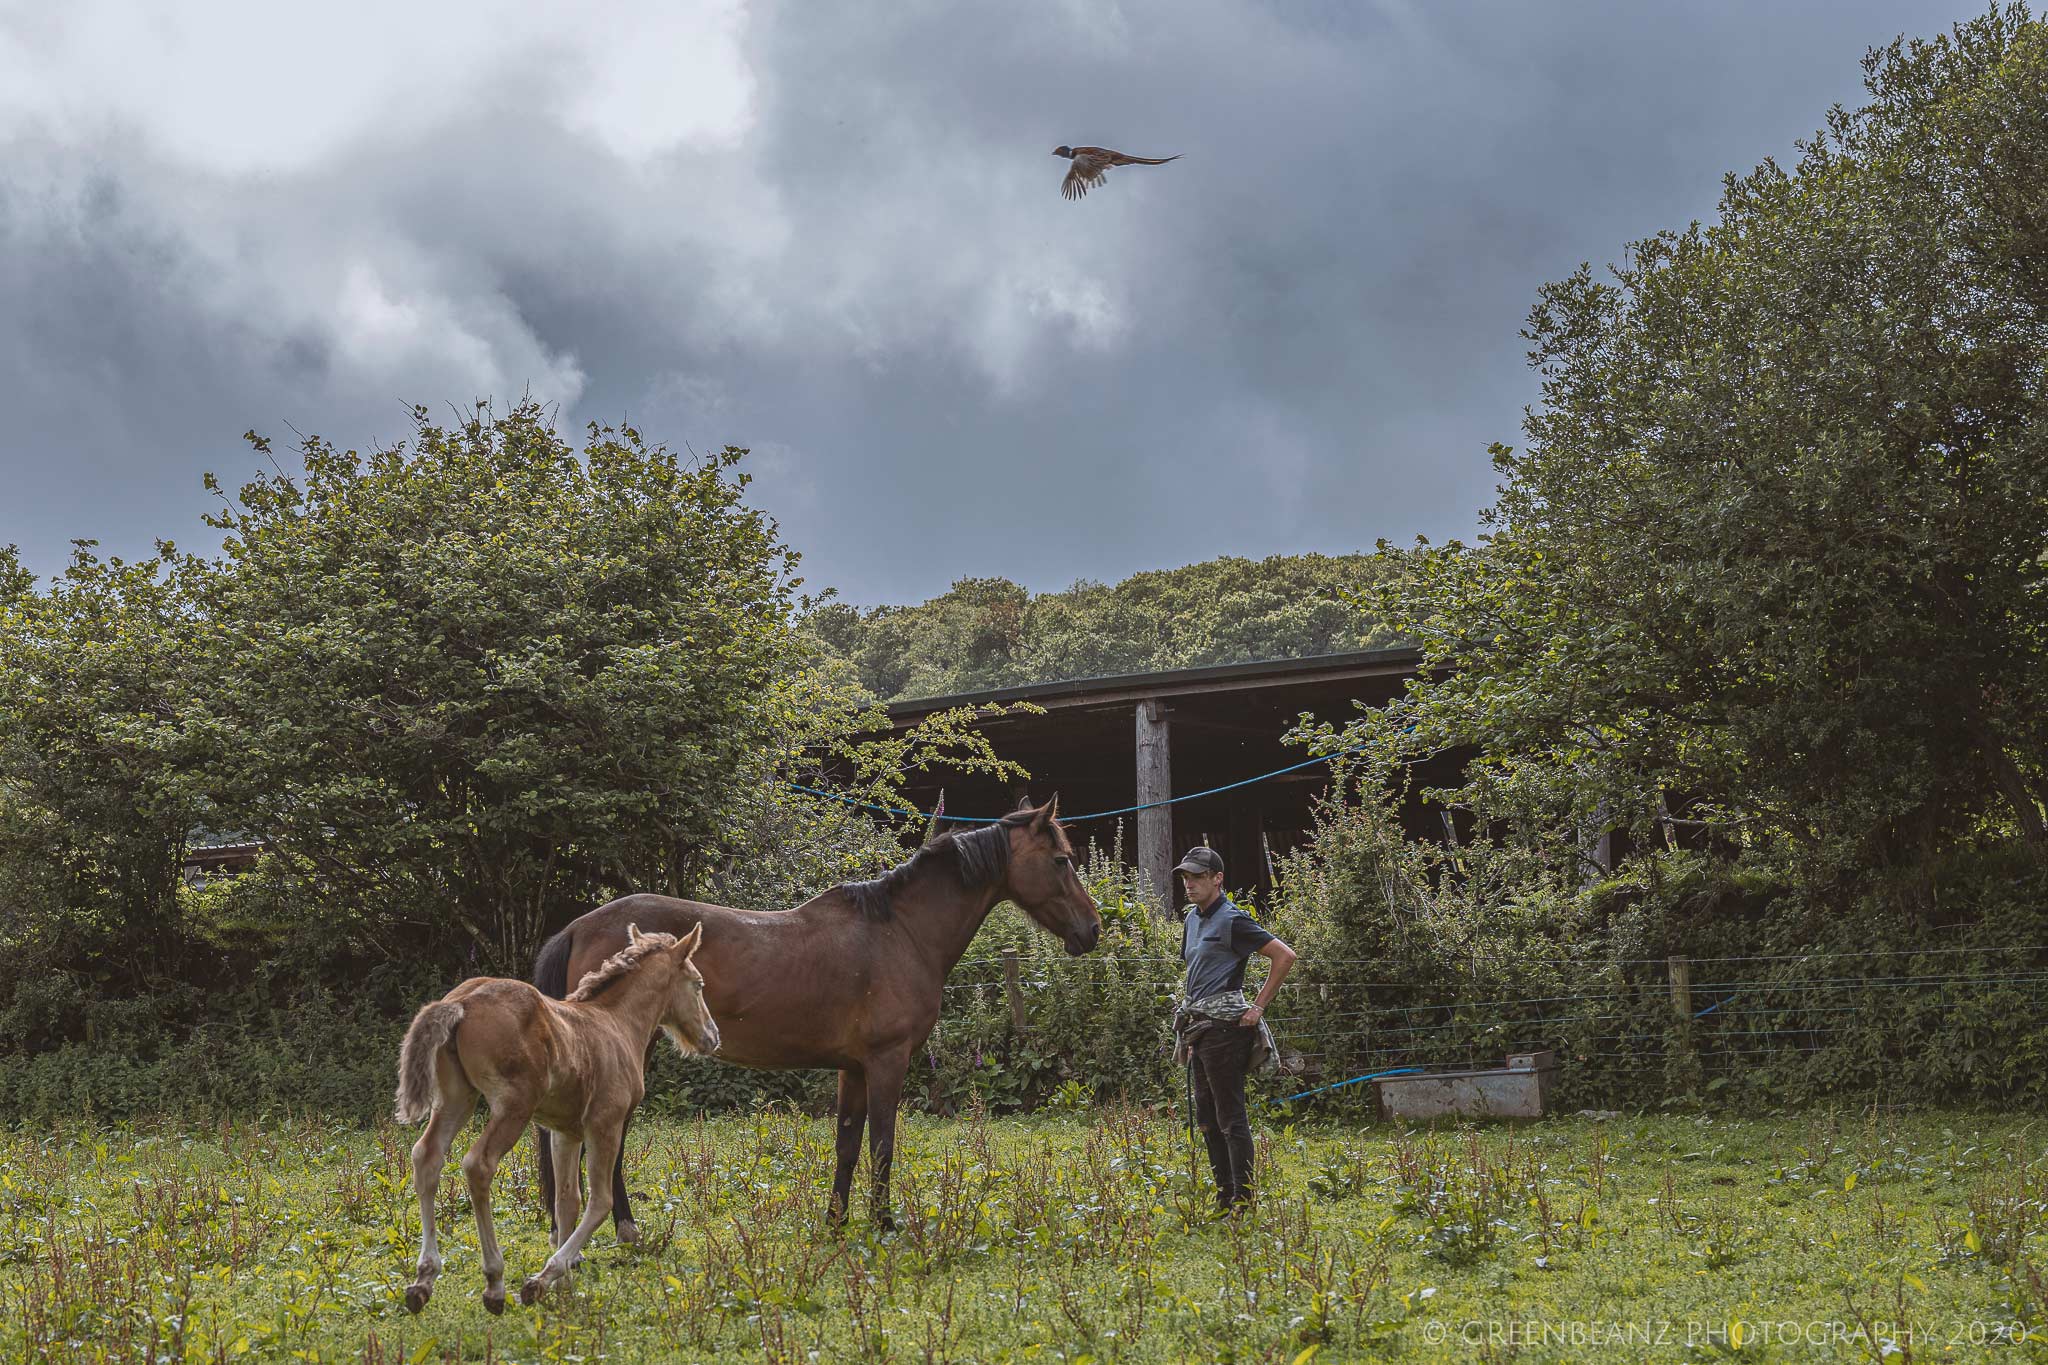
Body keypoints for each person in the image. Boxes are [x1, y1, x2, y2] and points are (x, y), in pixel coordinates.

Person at [1170, 845, 1296, 1212]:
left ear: (1217, 879)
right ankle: (1224, 1195)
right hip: (1199, 1027)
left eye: (1197, 877)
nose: (1189, 884)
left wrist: (1258, 1006)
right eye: (1186, 877)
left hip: (1226, 1029)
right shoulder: (1192, 920)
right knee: (1207, 1117)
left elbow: (1284, 956)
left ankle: (1245, 1199)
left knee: (1230, 1117)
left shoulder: (1232, 919)